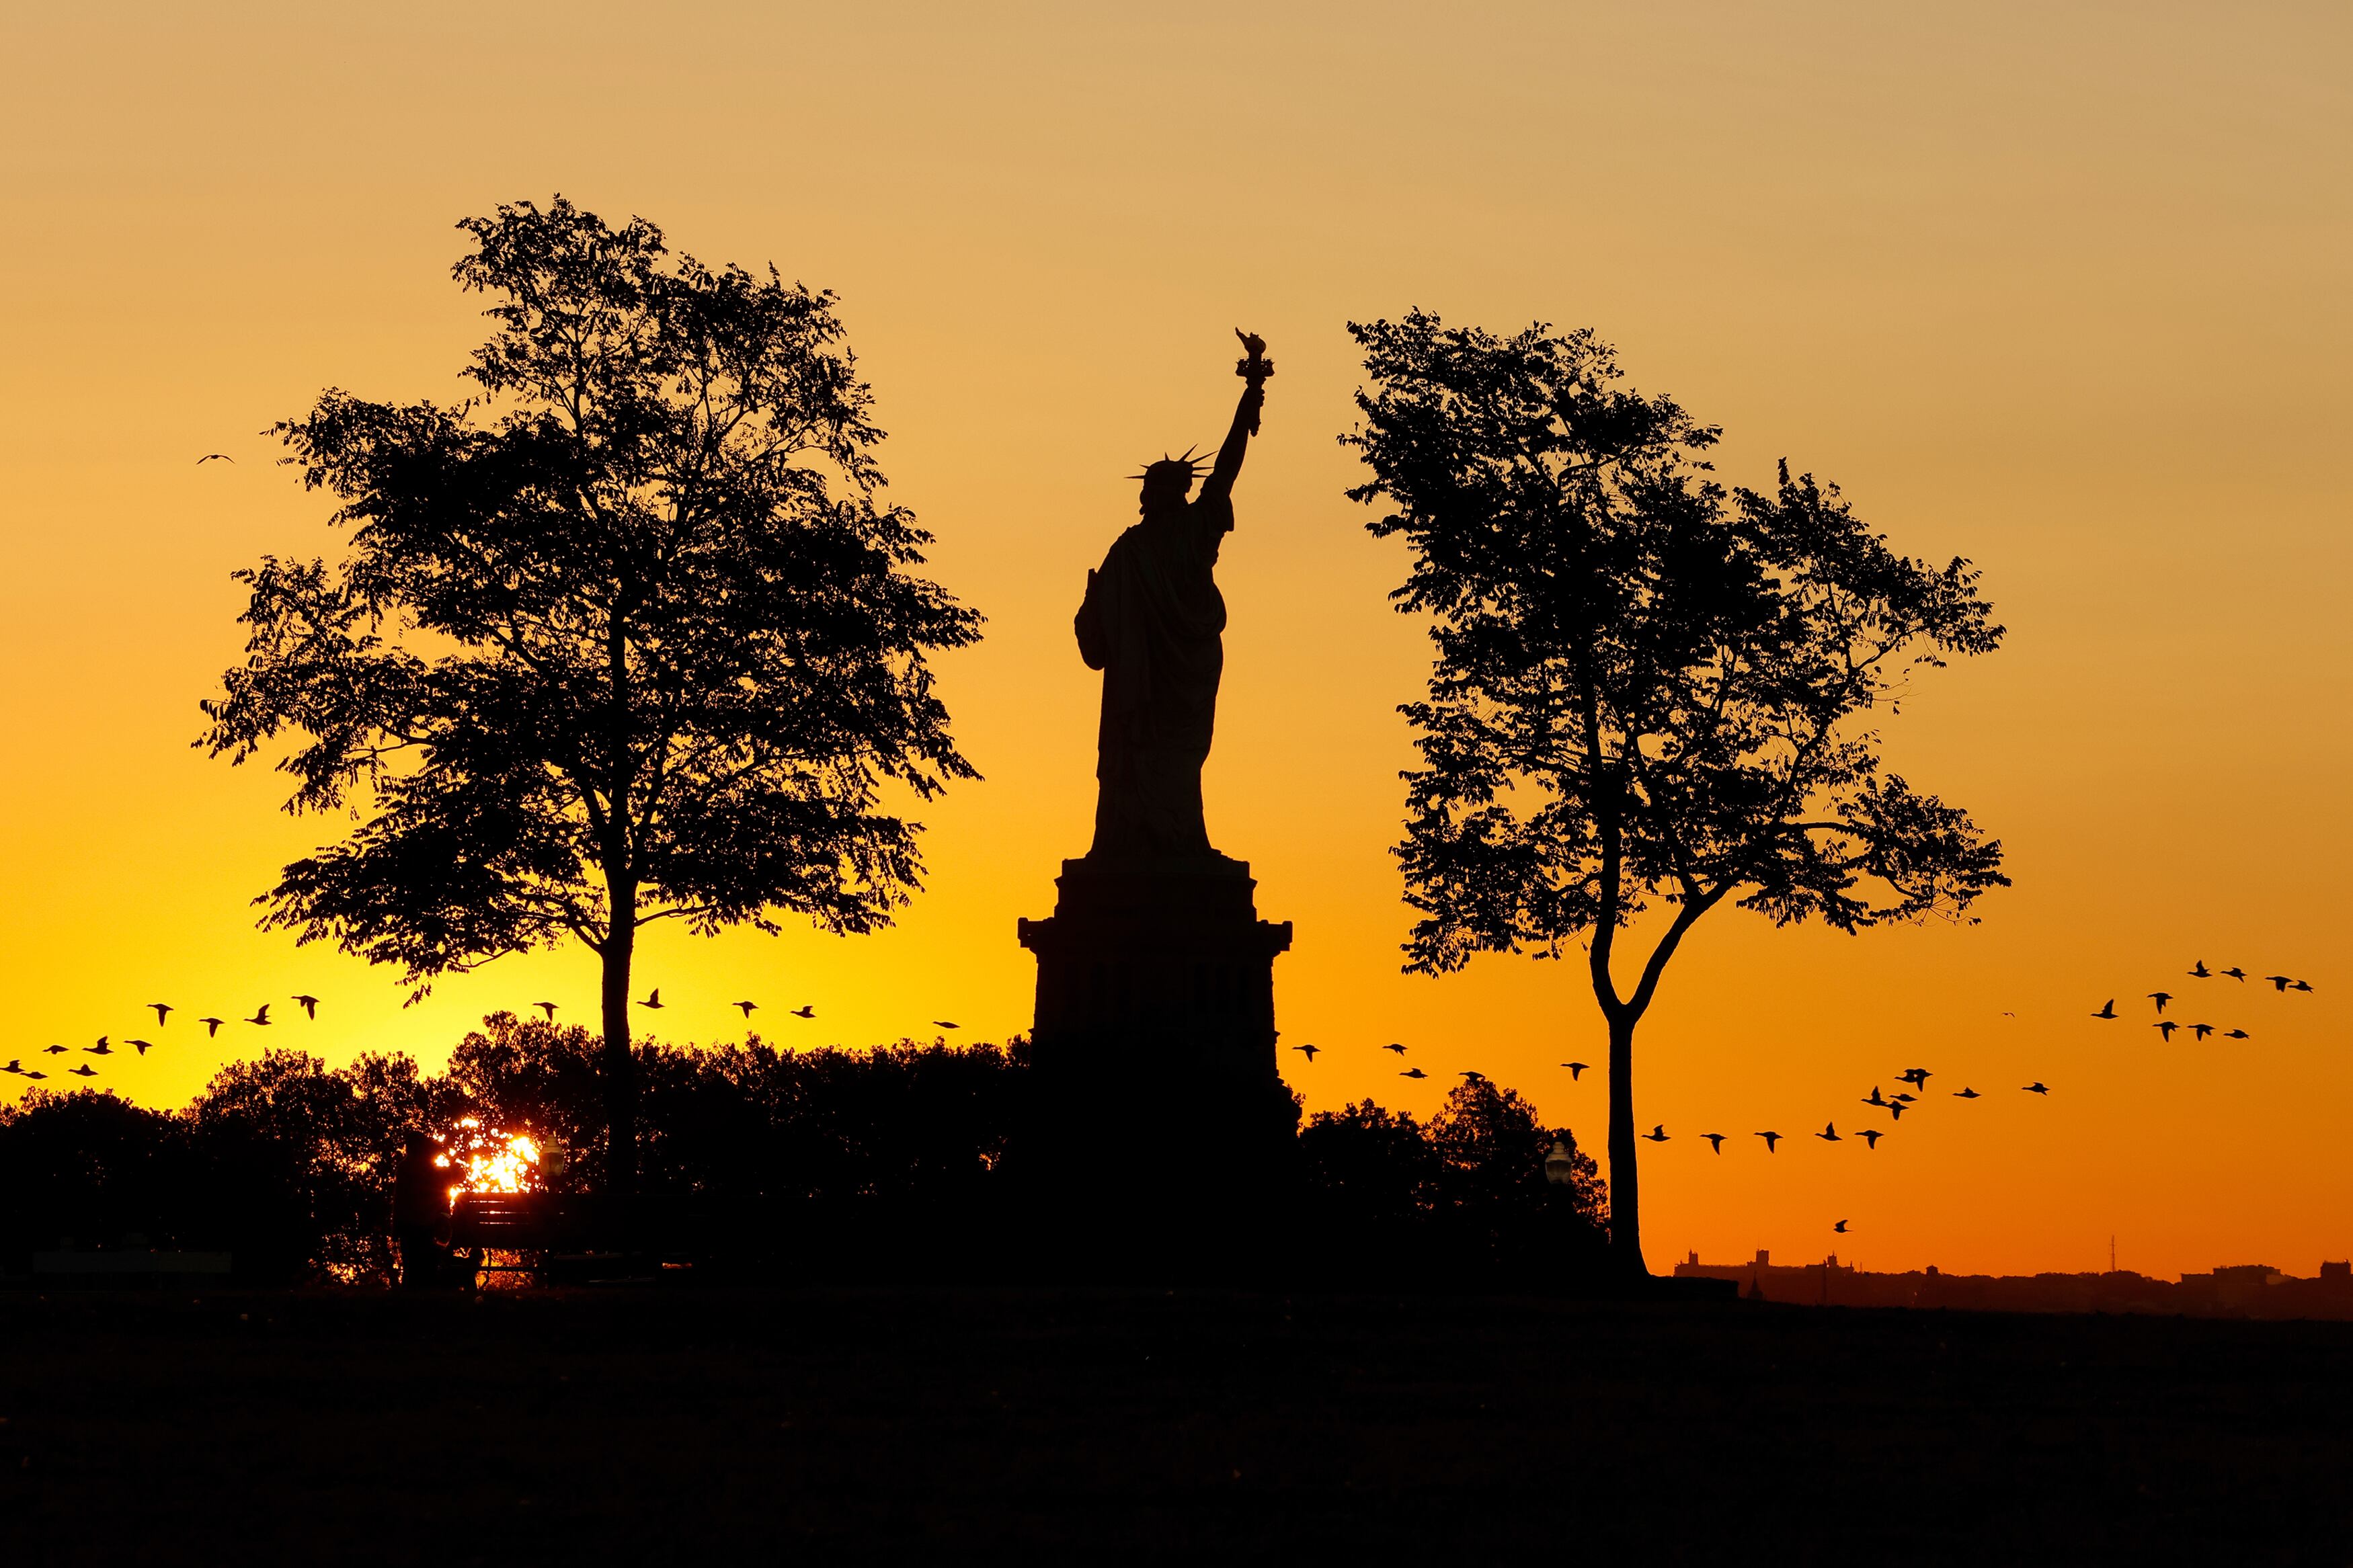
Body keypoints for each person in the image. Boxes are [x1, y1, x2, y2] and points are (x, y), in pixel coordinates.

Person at [1076, 331, 1272, 863]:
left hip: (1177, 671)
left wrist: (1249, 397)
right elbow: (1097, 640)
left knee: (1176, 758)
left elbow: (1229, 466)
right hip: (1171, 669)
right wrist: (1095, 605)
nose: (1152, 496)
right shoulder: (1142, 547)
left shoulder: (1158, 540)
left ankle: (1172, 841)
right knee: (1165, 758)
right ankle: (1162, 842)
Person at [391, 1129, 452, 1288]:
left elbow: (399, 1201)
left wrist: (396, 1229)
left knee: (411, 1267)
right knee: (426, 1266)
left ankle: (410, 1296)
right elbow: (460, 1175)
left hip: (409, 1226)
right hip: (428, 1226)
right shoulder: (433, 1169)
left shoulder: (405, 1167)